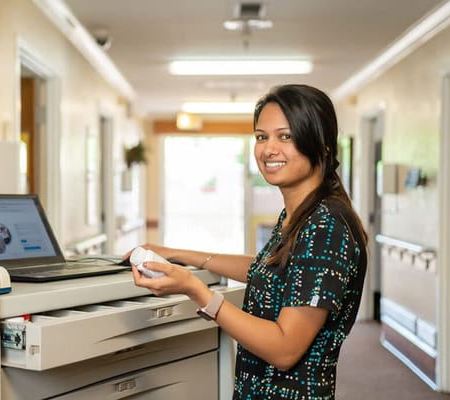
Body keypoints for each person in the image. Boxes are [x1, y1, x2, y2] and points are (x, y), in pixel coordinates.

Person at [127, 84, 368, 399]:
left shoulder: (325, 227)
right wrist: (175, 253)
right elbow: (268, 268)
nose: (268, 149)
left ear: (321, 145)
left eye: (285, 136)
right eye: (261, 136)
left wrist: (195, 290)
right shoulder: (298, 215)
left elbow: (285, 349)